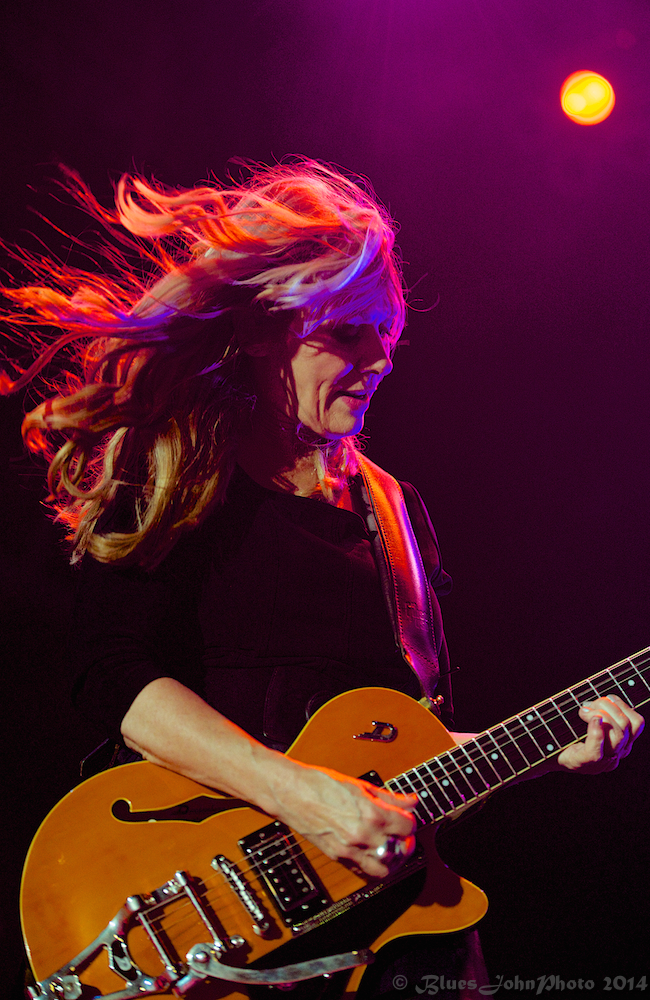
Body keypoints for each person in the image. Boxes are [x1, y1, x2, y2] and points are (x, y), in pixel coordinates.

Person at [2, 158, 643, 1000]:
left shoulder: (396, 515)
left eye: (387, 334)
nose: (381, 358)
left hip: (386, 950)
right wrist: (301, 797)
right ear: (261, 330)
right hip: (197, 911)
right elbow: (111, 675)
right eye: (347, 332)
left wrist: (546, 755)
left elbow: (403, 762)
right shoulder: (178, 469)